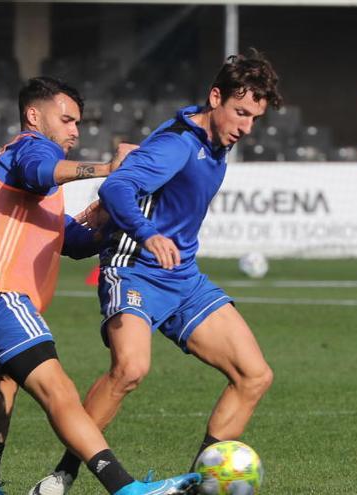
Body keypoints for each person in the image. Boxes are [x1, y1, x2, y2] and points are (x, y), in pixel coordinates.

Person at [0, 77, 199, 495]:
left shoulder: (36, 186)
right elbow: (37, 171)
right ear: (34, 116)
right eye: (66, 119)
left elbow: (73, 242)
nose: (75, 130)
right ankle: (125, 489)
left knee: (4, 379)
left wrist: (110, 212)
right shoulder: (30, 149)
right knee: (60, 390)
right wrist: (107, 169)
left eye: (78, 123)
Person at [29, 50, 281, 494]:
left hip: (182, 277)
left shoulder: (215, 144)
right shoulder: (178, 144)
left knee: (254, 375)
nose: (246, 127)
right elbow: (118, 184)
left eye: (255, 118)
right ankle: (65, 471)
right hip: (134, 269)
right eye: (240, 113)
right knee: (129, 369)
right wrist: (146, 234)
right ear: (215, 97)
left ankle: (199, 485)